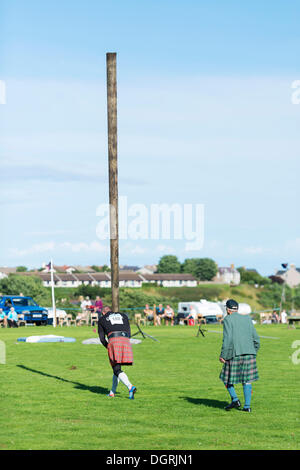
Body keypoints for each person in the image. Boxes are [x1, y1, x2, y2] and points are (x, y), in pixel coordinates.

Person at [219, 299, 260, 413]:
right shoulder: (247, 318)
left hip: (235, 354)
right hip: (249, 354)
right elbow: (256, 338)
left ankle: (235, 400)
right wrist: (253, 351)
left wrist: (223, 355)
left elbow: (227, 340)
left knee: (225, 377)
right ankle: (247, 407)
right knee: (247, 380)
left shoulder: (227, 320)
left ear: (227, 309)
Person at [98, 306, 137, 400]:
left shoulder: (102, 319)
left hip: (114, 340)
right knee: (117, 368)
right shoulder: (123, 315)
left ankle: (130, 387)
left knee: (116, 368)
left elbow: (102, 338)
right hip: (126, 340)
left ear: (103, 313)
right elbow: (129, 332)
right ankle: (112, 392)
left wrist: (108, 346)